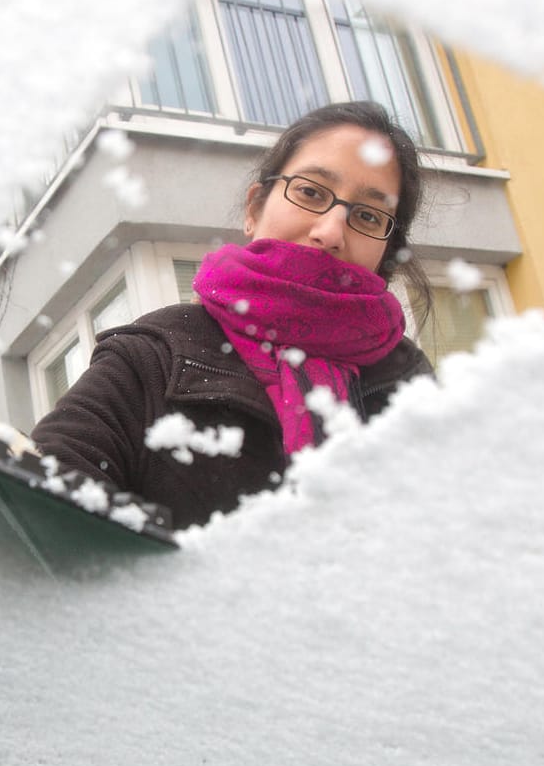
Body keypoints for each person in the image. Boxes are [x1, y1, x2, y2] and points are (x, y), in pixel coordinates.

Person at [30, 101, 434, 531]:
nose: (331, 231)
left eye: (369, 216)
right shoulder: (151, 358)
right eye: (311, 192)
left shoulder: (408, 382)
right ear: (255, 208)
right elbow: (43, 509)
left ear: (387, 251)